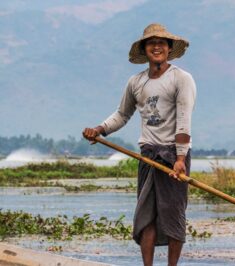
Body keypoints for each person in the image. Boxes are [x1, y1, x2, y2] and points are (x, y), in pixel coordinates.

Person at [82, 23, 196, 266]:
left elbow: (184, 122)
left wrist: (179, 159)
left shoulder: (181, 79)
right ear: (144, 49)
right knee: (146, 218)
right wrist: (99, 130)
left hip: (173, 156)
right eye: (151, 43)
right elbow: (122, 115)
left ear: (168, 48)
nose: (156, 46)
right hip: (147, 156)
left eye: (161, 43)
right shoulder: (136, 82)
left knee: (174, 215)